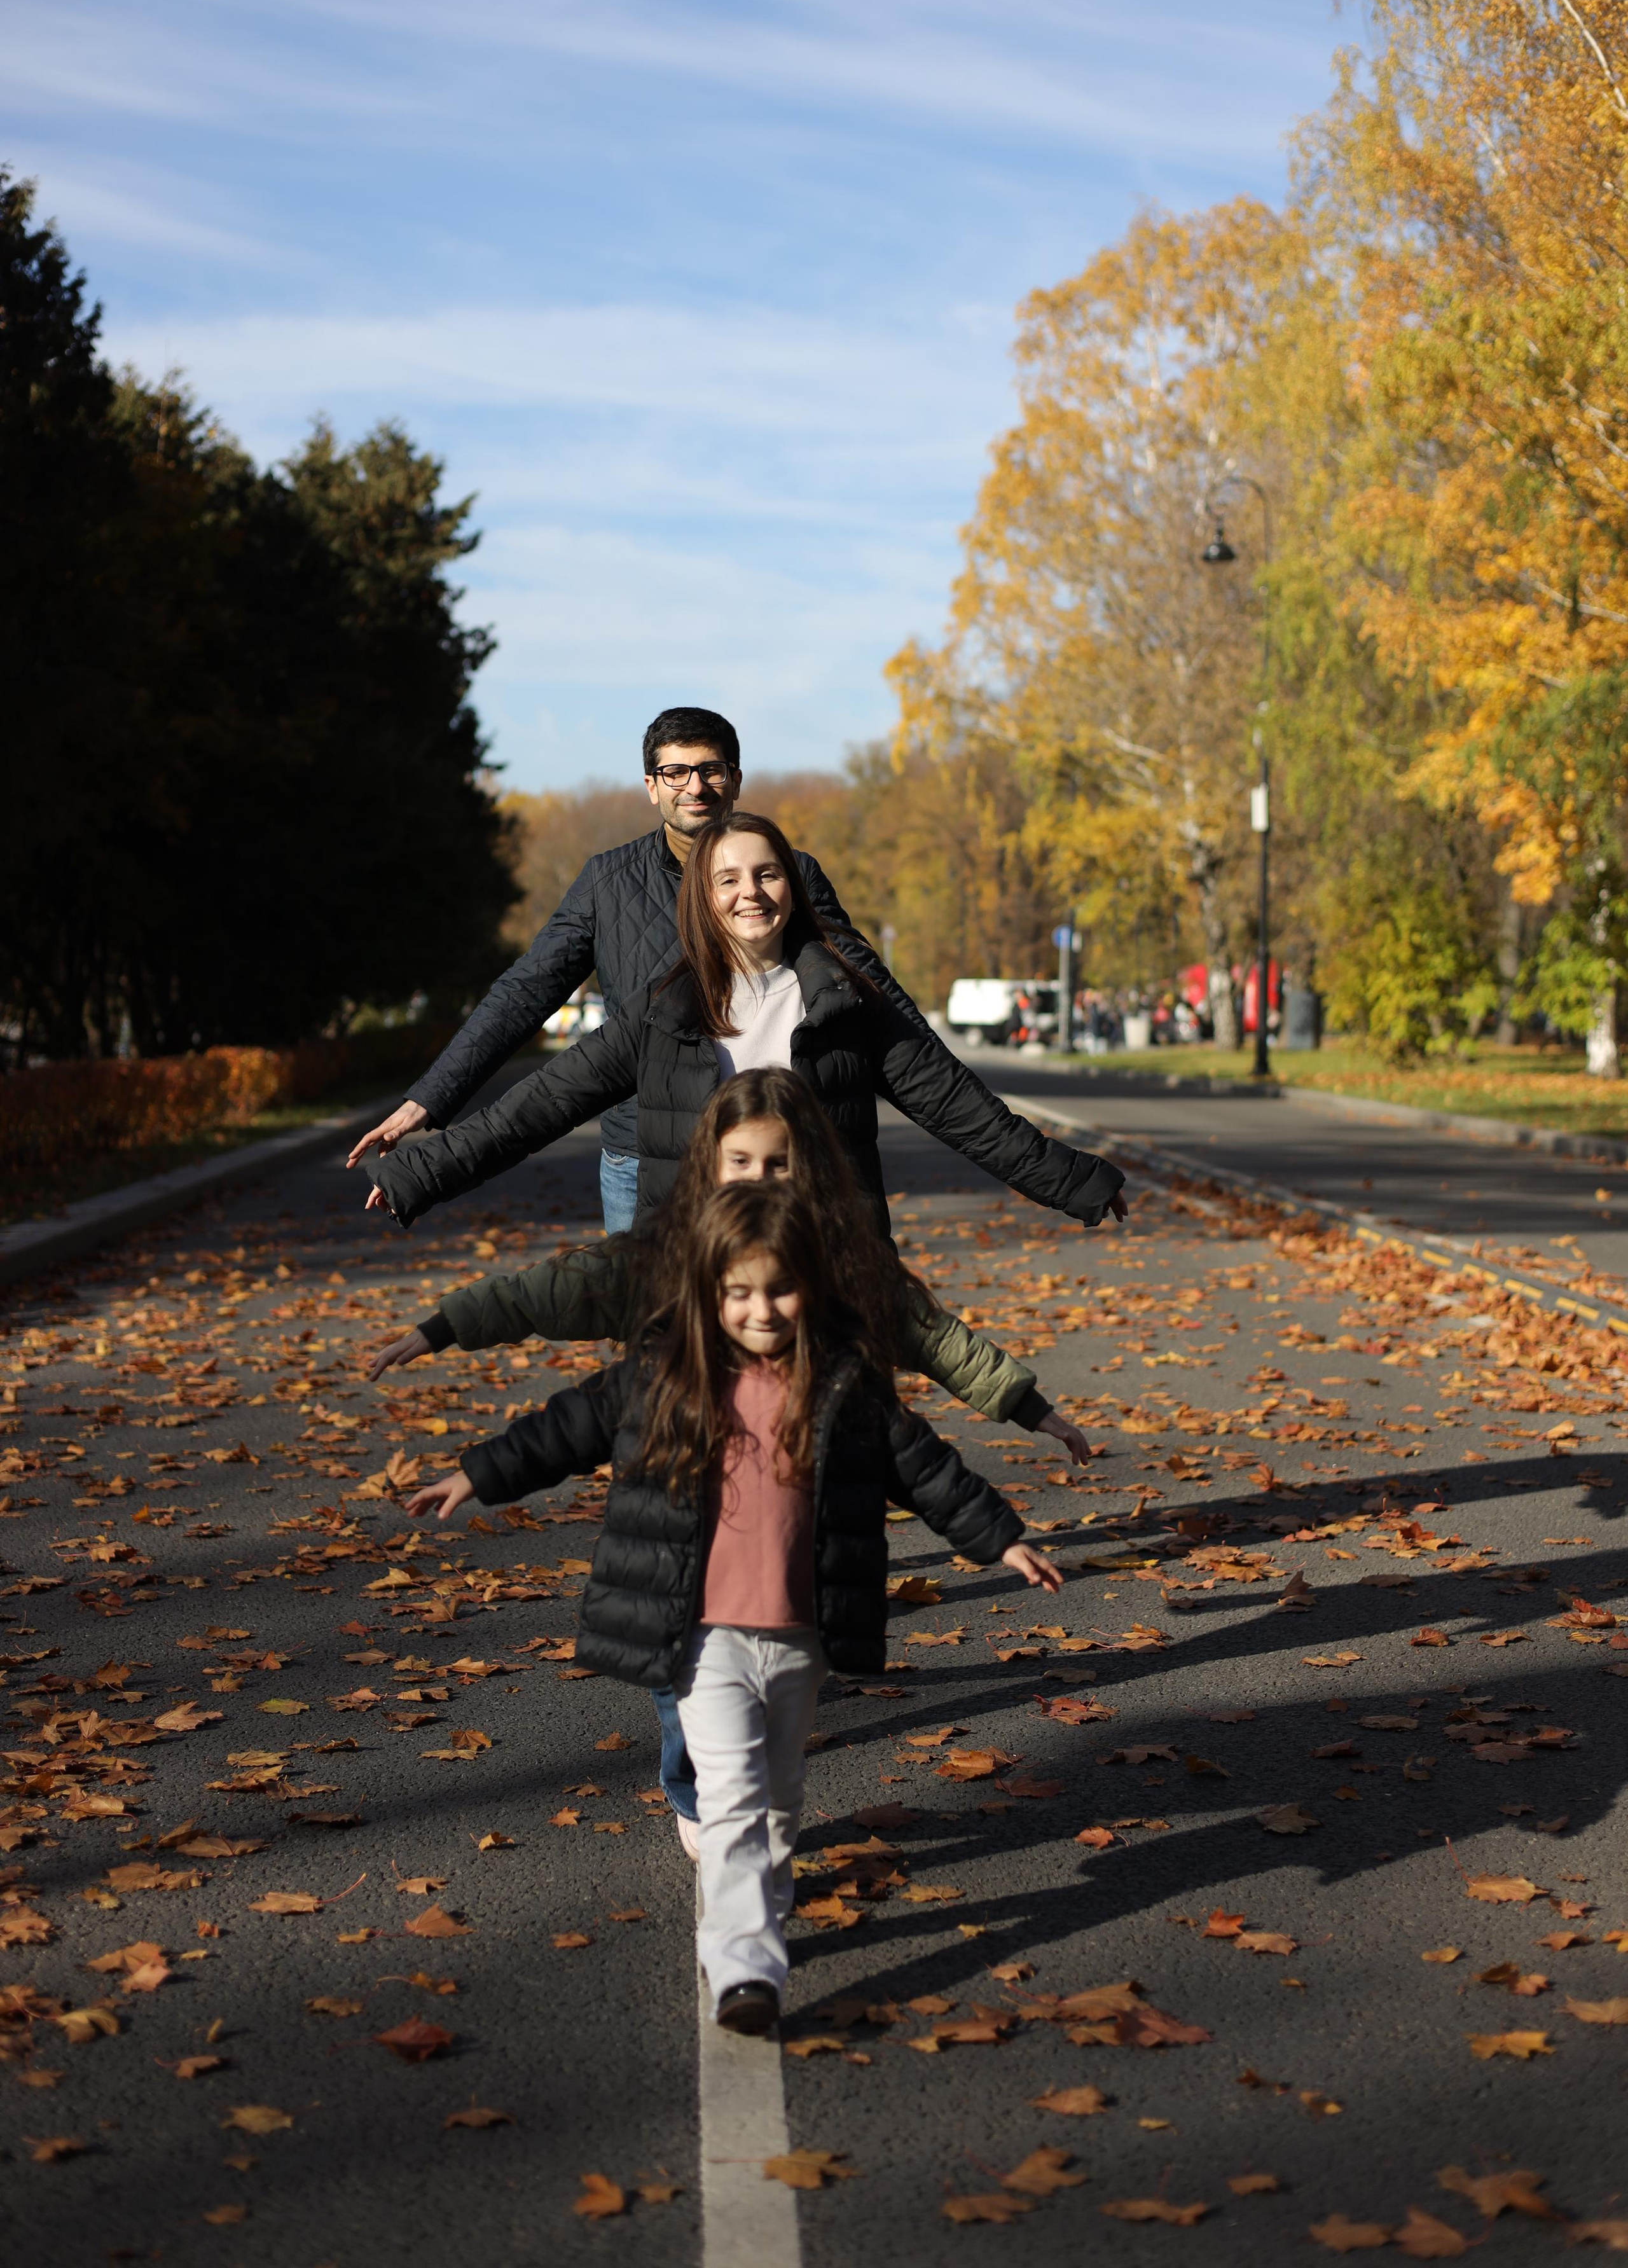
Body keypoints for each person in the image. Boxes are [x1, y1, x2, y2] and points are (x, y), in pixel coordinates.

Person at [365, 1067, 1100, 1851]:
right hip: (684, 1488)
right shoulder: (663, 1251)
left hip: (792, 1515)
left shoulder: (844, 1259)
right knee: (687, 1662)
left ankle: (749, 1816)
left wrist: (1030, 1409)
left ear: (806, 1167)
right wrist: (440, 1329)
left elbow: (934, 1339)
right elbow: (543, 1293)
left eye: (777, 1165)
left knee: (778, 1703)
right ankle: (700, 1802)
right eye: (740, 1164)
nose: (758, 1180)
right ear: (710, 1164)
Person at [404, 1183, 1059, 2036]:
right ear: (707, 1291)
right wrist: (478, 1474)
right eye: (739, 1292)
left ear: (813, 1287)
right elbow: (563, 1429)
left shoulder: (845, 1381)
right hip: (701, 1636)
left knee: (779, 1795)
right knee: (737, 1798)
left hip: (800, 1635)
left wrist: (1000, 1538)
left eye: (779, 1289)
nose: (761, 1310)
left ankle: (758, 1895)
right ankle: (746, 1965)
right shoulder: (668, 1371)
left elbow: (926, 1469)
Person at [362, 810, 1129, 1236]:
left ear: (791, 888)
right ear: (704, 898)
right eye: (727, 879)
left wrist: (1074, 1182)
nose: (750, 893)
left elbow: (959, 1106)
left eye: (766, 874)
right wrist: (419, 1171)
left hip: (825, 1252)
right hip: (698, 1257)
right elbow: (539, 1106)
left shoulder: (843, 1001)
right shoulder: (664, 1013)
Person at [346, 707, 921, 1234]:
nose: (695, 786)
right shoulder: (607, 882)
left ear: (736, 780)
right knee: (655, 1332)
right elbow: (523, 995)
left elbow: (866, 996)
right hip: (641, 1159)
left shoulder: (789, 876)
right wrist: (428, 1101)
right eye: (676, 773)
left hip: (777, 1152)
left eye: (711, 770)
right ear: (652, 786)